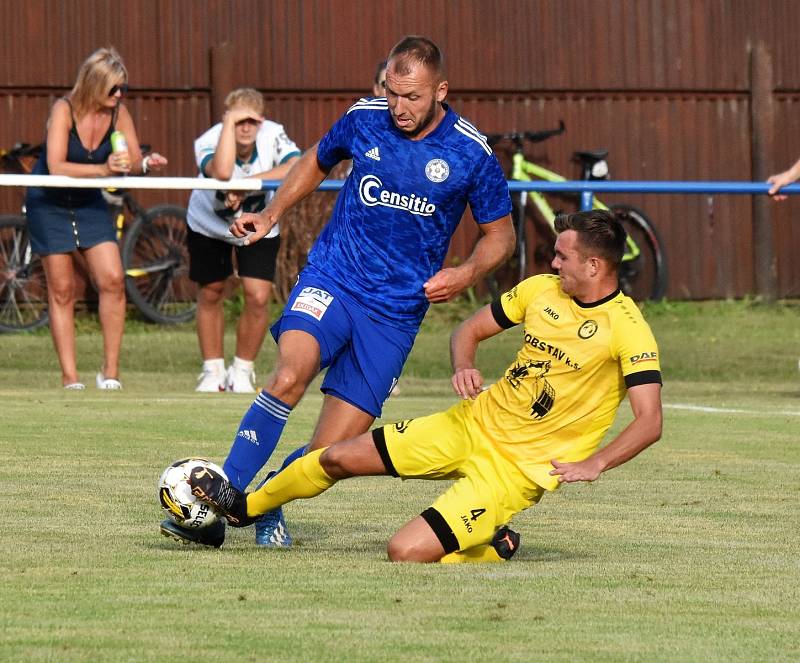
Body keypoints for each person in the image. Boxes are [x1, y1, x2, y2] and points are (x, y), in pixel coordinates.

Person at [159, 35, 515, 549]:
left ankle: (270, 504)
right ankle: (219, 502)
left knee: (330, 454)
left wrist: (464, 274)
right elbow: (314, 161)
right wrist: (270, 213)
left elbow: (499, 235)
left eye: (411, 97)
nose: (398, 107)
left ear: (441, 90)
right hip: (334, 277)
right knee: (288, 372)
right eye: (391, 92)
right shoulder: (364, 116)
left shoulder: (469, 151)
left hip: (394, 314)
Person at [189, 209, 664, 562]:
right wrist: (464, 364)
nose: (553, 263)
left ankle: (493, 545)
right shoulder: (540, 290)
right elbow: (468, 331)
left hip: (513, 471)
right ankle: (243, 508)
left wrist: (596, 463)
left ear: (596, 266)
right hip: (469, 424)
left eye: (563, 256)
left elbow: (650, 422)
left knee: (404, 552)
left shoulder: (628, 328)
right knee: (335, 456)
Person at [24, 47, 167, 390]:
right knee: (62, 289)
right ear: (93, 85)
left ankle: (111, 373)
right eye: (113, 89)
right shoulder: (64, 109)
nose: (119, 96)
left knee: (113, 278)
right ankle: (70, 378)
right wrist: (103, 169)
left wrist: (142, 164)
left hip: (88, 201)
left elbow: (131, 160)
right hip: (49, 202)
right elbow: (57, 165)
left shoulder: (119, 112)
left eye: (123, 89)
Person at [188, 88, 301, 393]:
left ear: (261, 120)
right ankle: (212, 370)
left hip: (257, 224)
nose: (246, 127)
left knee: (258, 295)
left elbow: (296, 165)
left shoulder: (273, 135)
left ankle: (242, 370)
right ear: (226, 120)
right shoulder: (209, 140)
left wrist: (248, 184)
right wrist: (228, 127)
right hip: (209, 223)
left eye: (252, 120)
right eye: (238, 121)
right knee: (211, 290)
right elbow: (222, 171)